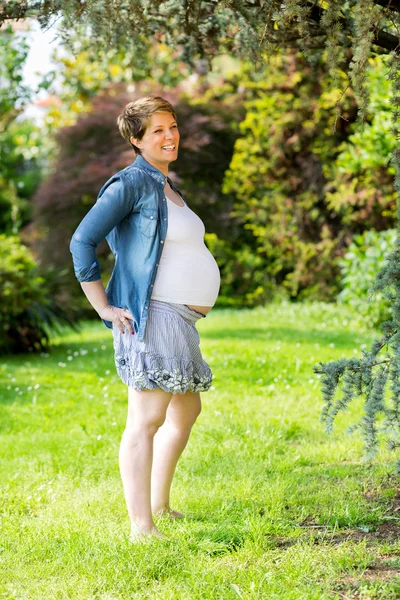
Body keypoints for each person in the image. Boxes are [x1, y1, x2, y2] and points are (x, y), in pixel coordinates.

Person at [69, 95, 221, 541]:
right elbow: (82, 241)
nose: (170, 135)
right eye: (157, 130)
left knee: (185, 411)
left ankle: (159, 505)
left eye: (172, 126)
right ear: (136, 139)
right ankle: (141, 526)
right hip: (152, 315)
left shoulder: (167, 185)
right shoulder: (131, 183)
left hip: (179, 320)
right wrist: (103, 307)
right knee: (146, 419)